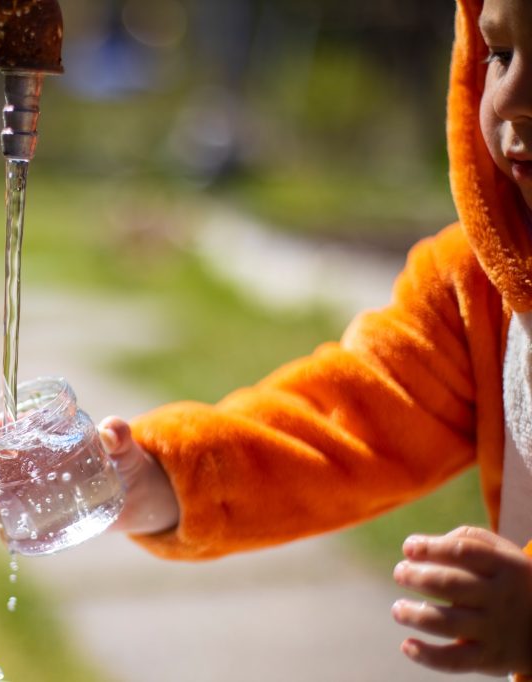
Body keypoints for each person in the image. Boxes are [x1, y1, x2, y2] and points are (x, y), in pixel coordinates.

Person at [97, 0, 532, 677]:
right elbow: (342, 422)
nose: (510, 97)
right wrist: (160, 479)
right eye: (499, 54)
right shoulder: (479, 288)